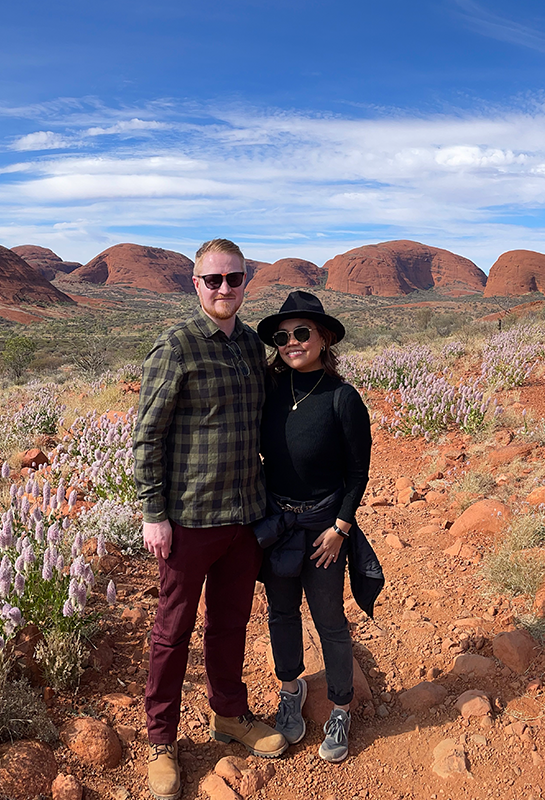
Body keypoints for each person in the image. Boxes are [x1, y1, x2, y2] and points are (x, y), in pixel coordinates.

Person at [134, 238, 288, 800]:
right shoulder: (176, 347)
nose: (225, 288)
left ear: (247, 281)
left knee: (229, 623)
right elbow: (147, 435)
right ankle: (161, 740)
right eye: (214, 279)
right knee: (172, 632)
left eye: (235, 278)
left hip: (245, 514)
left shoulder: (251, 344)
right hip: (190, 516)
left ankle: (228, 714)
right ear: (195, 284)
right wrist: (155, 512)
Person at [254, 290, 380, 763]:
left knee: (329, 619)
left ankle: (341, 707)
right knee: (281, 611)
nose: (292, 342)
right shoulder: (271, 389)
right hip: (280, 523)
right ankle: (291, 691)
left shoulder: (342, 399)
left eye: (302, 333)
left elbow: (357, 472)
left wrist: (341, 528)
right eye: (283, 336)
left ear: (324, 338)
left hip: (325, 527)